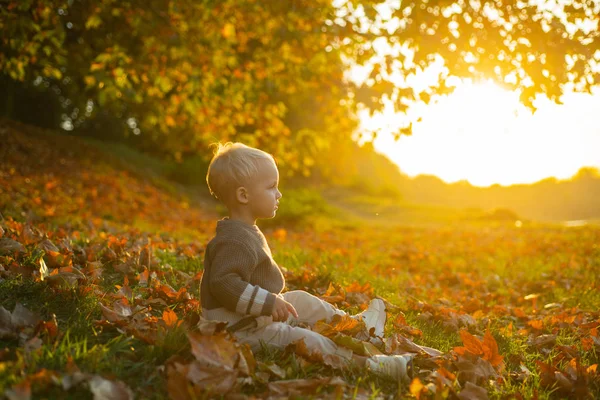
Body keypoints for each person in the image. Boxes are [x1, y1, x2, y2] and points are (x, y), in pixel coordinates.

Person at [200, 142, 413, 383]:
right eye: (272, 187)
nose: (279, 194)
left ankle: (356, 326)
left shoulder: (244, 230)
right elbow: (223, 283)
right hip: (236, 332)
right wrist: (267, 302)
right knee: (304, 340)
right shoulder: (233, 240)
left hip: (251, 316)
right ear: (243, 195)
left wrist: (269, 303)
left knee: (301, 299)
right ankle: (371, 366)